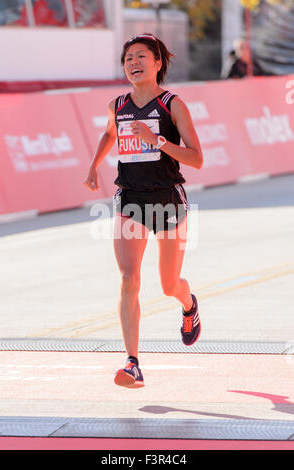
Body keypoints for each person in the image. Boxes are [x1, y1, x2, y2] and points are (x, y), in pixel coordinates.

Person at [84, 33, 203, 388]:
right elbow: (110, 134)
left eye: (140, 56)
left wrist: (159, 142)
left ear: (157, 63)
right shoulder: (118, 105)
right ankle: (132, 362)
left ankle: (189, 305)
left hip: (167, 199)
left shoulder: (173, 104)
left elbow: (196, 158)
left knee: (169, 284)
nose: (133, 63)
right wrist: (94, 166)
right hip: (130, 199)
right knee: (128, 279)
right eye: (127, 59)